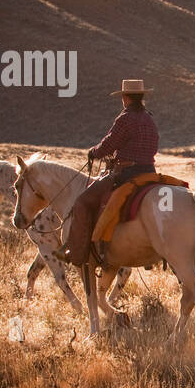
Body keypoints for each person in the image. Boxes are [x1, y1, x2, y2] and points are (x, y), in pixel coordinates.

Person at [54, 79, 159, 266]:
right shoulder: (149, 118)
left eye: (123, 97)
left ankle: (77, 252)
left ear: (125, 98)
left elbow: (109, 144)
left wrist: (93, 152)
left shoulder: (125, 118)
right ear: (141, 97)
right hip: (149, 172)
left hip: (126, 173)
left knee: (83, 202)